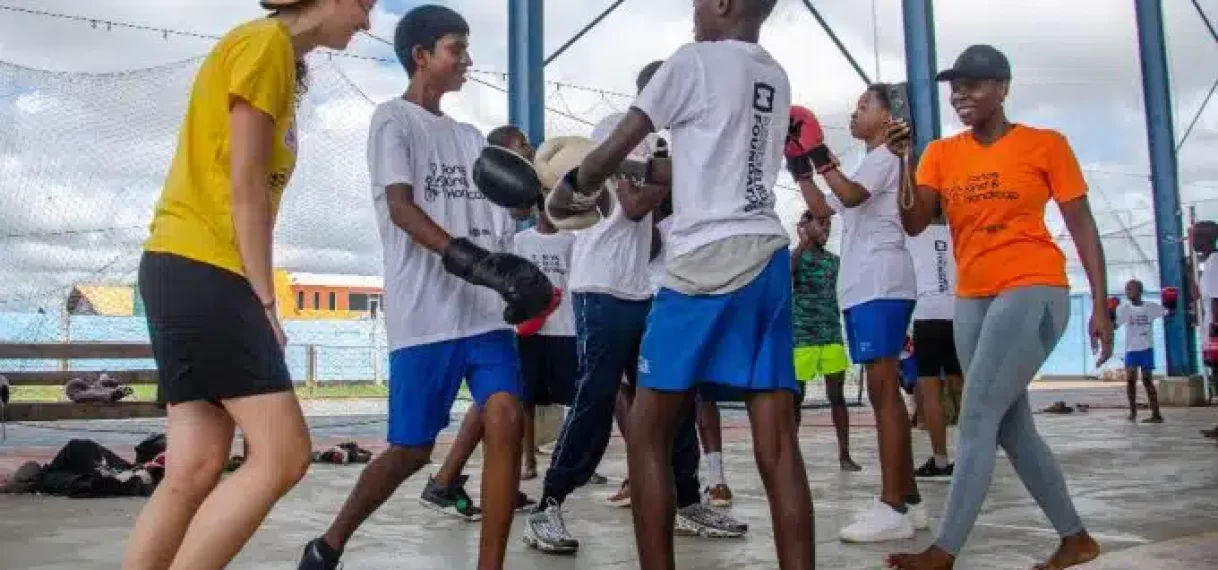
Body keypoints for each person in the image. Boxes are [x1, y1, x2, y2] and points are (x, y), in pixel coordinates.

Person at [548, 1, 816, 567]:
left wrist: (570, 186)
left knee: (648, 433)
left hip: (701, 262)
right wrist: (639, 172)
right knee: (776, 442)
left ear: (721, 3)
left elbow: (612, 149)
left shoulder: (692, 61)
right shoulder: (773, 73)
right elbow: (697, 162)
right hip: (766, 257)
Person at [297, 7, 553, 570]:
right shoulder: (393, 120)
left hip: (485, 315)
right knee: (412, 449)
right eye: (454, 49)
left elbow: (501, 212)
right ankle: (331, 541)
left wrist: (549, 202)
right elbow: (401, 208)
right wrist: (475, 262)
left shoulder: (469, 138)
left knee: (507, 415)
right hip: (426, 313)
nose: (466, 60)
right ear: (421, 56)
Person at [123, 2, 374, 569]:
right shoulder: (265, 46)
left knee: (192, 468)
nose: (366, 22)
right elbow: (246, 184)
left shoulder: (267, 52)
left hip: (178, 267)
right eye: (365, 3)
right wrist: (265, 299)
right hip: (208, 268)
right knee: (283, 455)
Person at [886, 44, 1111, 570]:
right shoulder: (941, 154)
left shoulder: (1045, 145)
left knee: (979, 413)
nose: (960, 94)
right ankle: (1075, 539)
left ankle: (944, 550)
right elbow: (914, 222)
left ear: (1003, 88)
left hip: (1034, 286)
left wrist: (1100, 303)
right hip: (973, 296)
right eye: (955, 87)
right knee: (1011, 427)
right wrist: (903, 160)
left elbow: (1082, 225)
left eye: (974, 84)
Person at [524, 61, 747, 556]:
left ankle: (688, 502)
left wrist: (664, 179)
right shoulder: (615, 131)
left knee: (672, 394)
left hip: (641, 289)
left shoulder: (658, 145)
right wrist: (668, 181)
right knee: (596, 397)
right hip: (600, 288)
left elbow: (648, 210)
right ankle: (548, 505)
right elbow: (633, 204)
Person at [789, 84, 926, 542]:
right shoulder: (875, 159)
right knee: (885, 391)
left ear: (889, 118)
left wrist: (819, 153)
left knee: (884, 394)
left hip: (879, 283)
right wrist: (800, 165)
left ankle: (891, 507)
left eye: (865, 106)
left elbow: (847, 196)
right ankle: (909, 499)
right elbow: (824, 208)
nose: (854, 112)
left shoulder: (887, 156)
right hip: (868, 285)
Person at [414, 125, 538, 522]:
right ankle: (447, 480)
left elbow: (523, 210)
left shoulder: (509, 196)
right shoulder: (474, 192)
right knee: (496, 405)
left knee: (502, 403)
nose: (529, 149)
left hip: (496, 314)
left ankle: (453, 481)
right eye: (521, 146)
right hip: (464, 314)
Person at [791, 211, 861, 472]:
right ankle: (792, 454)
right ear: (805, 226)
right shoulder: (794, 257)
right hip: (801, 337)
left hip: (830, 335)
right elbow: (789, 273)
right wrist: (801, 243)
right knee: (795, 399)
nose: (826, 229)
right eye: (821, 224)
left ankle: (845, 455)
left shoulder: (835, 262)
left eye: (829, 225)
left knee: (837, 397)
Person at [906, 214, 962, 480]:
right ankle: (977, 453)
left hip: (927, 315)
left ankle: (941, 460)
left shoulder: (911, 233)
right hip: (958, 311)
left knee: (930, 392)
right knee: (963, 387)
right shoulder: (956, 230)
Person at [1111, 279, 1168, 423]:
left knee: (1147, 380)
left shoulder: (1151, 307)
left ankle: (1156, 414)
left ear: (1140, 291)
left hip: (1146, 349)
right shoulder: (1124, 309)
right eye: (1127, 289)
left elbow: (1168, 312)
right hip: (1131, 350)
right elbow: (1114, 326)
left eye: (1131, 288)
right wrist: (1110, 312)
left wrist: (1171, 300)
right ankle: (1133, 413)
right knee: (1130, 381)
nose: (1128, 291)